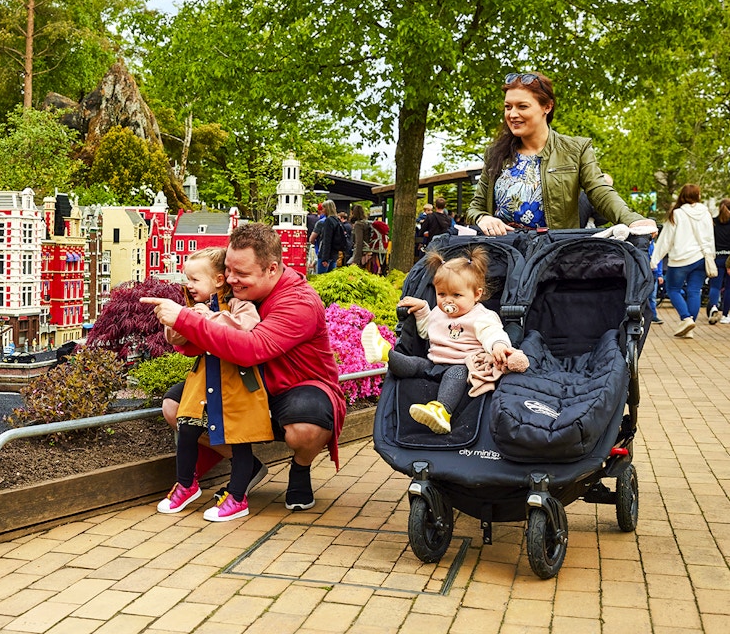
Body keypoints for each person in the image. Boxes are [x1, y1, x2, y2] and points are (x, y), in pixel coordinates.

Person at [141, 223, 347, 511]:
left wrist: (187, 320)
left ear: (271, 269)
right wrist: (183, 325)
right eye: (227, 270)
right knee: (176, 407)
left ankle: (301, 468)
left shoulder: (299, 302)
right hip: (242, 382)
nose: (230, 279)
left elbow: (251, 349)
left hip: (293, 387)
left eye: (241, 273)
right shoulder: (232, 294)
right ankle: (246, 465)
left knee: (305, 428)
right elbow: (203, 344)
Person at [155, 247, 271, 522]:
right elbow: (176, 338)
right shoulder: (192, 307)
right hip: (203, 381)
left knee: (239, 439)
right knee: (187, 428)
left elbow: (245, 327)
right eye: (187, 279)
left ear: (218, 280)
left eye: (195, 279)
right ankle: (186, 484)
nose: (189, 285)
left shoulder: (240, 305)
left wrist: (205, 317)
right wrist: (176, 318)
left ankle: (238, 497)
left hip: (237, 383)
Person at [362, 248, 528, 434]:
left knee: (455, 374)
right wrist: (422, 310)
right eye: (441, 294)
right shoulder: (438, 313)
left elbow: (492, 333)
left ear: (476, 294)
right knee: (412, 364)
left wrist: (498, 346)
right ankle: (385, 353)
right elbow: (427, 332)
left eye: (456, 295)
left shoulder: (481, 317)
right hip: (434, 362)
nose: (448, 301)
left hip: (461, 365)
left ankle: (441, 410)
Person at [467, 72, 654, 235]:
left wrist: (632, 219)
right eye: (508, 107)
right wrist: (483, 218)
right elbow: (475, 208)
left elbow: (600, 192)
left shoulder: (576, 150)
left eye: (522, 106)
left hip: (554, 255)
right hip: (504, 253)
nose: (512, 114)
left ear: (547, 107)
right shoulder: (495, 154)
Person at [651, 184, 716, 338]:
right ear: (698, 196)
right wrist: (710, 255)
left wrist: (654, 260)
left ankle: (686, 318)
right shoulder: (705, 213)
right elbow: (710, 237)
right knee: (694, 291)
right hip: (701, 257)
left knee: (673, 289)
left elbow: (666, 240)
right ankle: (689, 328)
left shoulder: (677, 214)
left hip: (680, 259)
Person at [706, 198, 730, 324]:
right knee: (728, 288)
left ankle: (714, 307)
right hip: (729, 259)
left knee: (715, 286)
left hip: (716, 258)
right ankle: (726, 314)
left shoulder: (713, 223)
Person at [313, 200, 346, 274]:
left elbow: (327, 240)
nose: (322, 210)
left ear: (327, 208)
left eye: (323, 208)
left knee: (321, 277)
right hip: (334, 254)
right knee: (330, 276)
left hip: (326, 255)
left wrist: (324, 258)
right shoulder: (337, 220)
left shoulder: (328, 221)